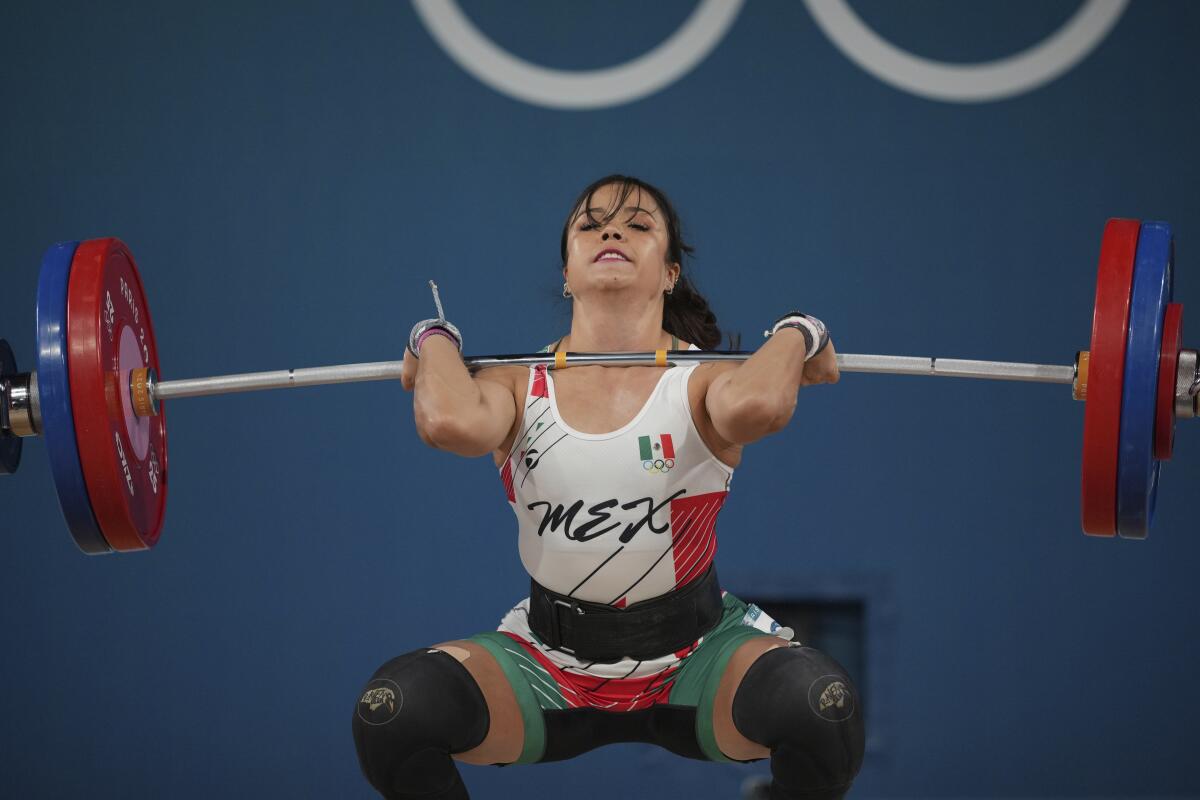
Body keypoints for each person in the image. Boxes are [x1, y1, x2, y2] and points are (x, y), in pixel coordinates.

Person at [352, 175, 865, 799]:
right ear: (567, 271)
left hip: (697, 658)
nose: (612, 231)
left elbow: (761, 405)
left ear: (670, 273)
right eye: (590, 225)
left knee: (821, 705)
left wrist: (798, 330)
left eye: (638, 224)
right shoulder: (518, 386)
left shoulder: (701, 380)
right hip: (547, 664)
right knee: (393, 709)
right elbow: (448, 422)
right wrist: (433, 339)